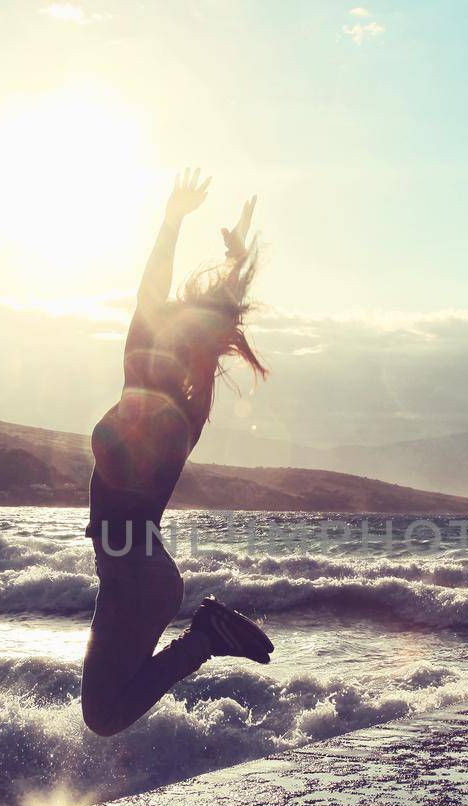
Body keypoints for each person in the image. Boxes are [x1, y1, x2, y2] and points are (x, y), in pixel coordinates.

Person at [79, 167, 275, 737]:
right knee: (104, 710)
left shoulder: (150, 390)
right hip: (132, 572)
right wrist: (233, 265)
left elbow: (151, 295)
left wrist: (171, 222)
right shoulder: (183, 406)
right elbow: (158, 300)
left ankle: (206, 639)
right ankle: (206, 638)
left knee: (104, 714)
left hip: (137, 574)